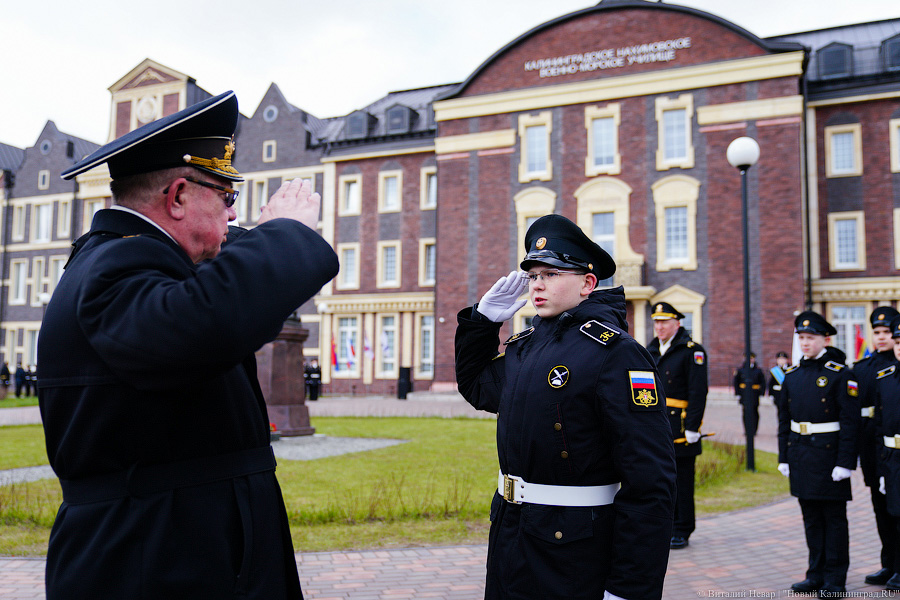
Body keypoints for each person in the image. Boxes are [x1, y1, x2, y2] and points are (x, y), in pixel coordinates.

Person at [37, 91, 339, 600]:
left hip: (174, 546)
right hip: (149, 559)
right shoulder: (113, 267)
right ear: (177, 196)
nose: (232, 214)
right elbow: (206, 320)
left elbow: (213, 276)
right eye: (226, 198)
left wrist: (267, 236)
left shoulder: (140, 263)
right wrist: (286, 233)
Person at [455, 214, 676, 600]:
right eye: (533, 274)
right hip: (512, 533)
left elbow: (650, 481)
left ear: (587, 283)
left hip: (574, 549)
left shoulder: (617, 354)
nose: (537, 284)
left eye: (552, 273)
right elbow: (476, 387)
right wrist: (483, 322)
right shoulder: (525, 347)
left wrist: (628, 589)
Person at [776, 311, 860, 597]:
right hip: (801, 454)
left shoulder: (840, 374)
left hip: (829, 457)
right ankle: (815, 574)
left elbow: (850, 422)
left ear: (824, 339)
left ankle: (835, 579)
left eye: (810, 338)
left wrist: (845, 463)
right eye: (801, 337)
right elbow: (783, 420)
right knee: (811, 519)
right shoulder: (792, 375)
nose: (805, 343)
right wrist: (783, 457)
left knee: (834, 521)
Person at [647, 301, 708, 550]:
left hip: (681, 427)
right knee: (660, 480)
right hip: (656, 426)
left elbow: (698, 392)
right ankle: (666, 526)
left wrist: (693, 426)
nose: (659, 327)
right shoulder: (650, 350)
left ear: (677, 323)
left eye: (664, 322)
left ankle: (683, 529)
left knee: (682, 482)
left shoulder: (692, 350)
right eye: (656, 322)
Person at [852, 307, 900, 587]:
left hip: (892, 447)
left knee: (896, 509)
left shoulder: (892, 367)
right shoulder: (862, 368)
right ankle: (887, 563)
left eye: (886, 333)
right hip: (872, 448)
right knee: (881, 509)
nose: (881, 338)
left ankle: (897, 566)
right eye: (877, 332)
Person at [873, 314, 900, 592]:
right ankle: (894, 566)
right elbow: (881, 424)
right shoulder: (886, 378)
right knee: (894, 513)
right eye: (898, 342)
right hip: (892, 458)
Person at [733, 352, 765, 439]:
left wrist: (762, 393)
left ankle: (754, 430)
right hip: (744, 394)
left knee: (754, 412)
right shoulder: (740, 370)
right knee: (745, 412)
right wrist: (737, 393)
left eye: (751, 358)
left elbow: (762, 382)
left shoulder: (758, 370)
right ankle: (747, 430)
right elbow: (736, 382)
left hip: (754, 394)